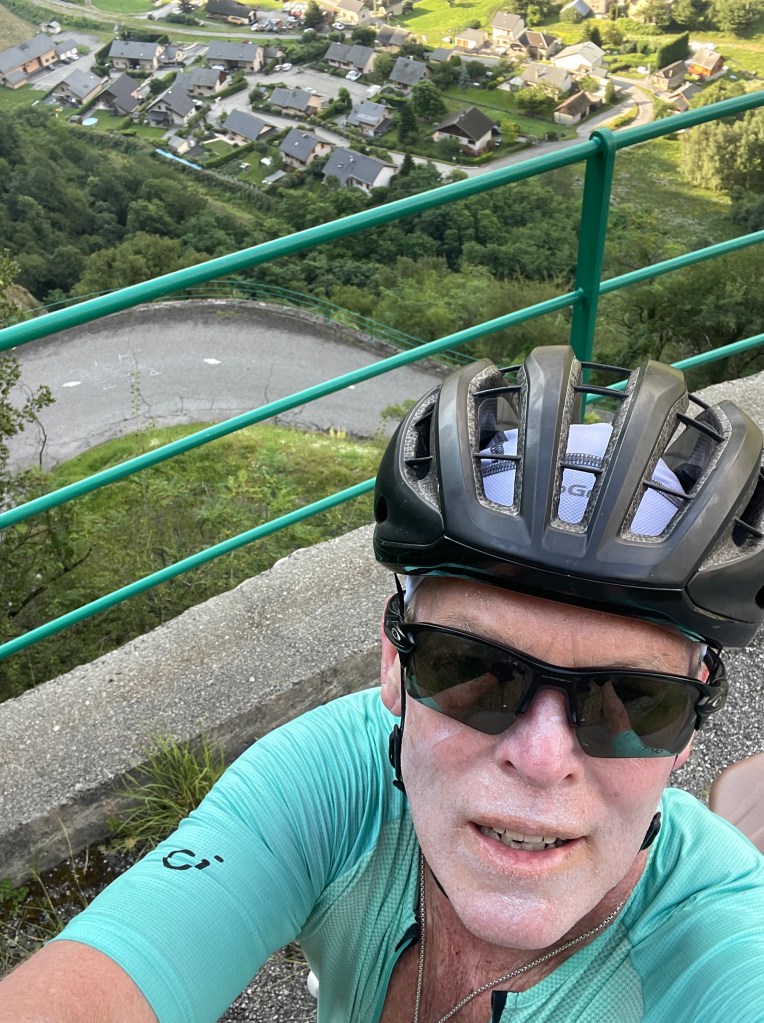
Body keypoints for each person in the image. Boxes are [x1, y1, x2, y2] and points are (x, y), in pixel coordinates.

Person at [2, 345, 764, 1023]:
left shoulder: (722, 939)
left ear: (690, 729)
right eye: (469, 668)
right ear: (394, 665)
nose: (541, 759)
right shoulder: (330, 778)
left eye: (634, 699)